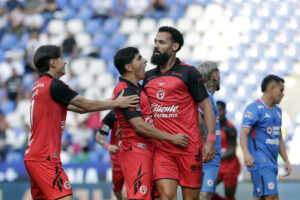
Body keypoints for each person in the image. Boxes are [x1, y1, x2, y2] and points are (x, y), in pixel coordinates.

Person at [23, 45, 139, 200]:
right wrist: (117, 103)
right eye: (62, 58)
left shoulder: (39, 86)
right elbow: (86, 105)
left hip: (33, 155)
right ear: (53, 63)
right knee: (65, 197)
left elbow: (81, 109)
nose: (65, 62)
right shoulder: (55, 85)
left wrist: (115, 101)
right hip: (45, 157)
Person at [143, 26, 216, 200]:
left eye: (162, 42)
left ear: (174, 47)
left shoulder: (189, 73)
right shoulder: (148, 77)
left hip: (189, 147)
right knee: (166, 196)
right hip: (162, 149)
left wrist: (211, 140)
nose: (156, 46)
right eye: (155, 42)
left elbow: (206, 106)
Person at [113, 47, 189, 200]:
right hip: (136, 151)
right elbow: (139, 126)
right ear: (129, 67)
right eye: (139, 58)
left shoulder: (136, 87)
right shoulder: (126, 91)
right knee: (139, 196)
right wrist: (171, 137)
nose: (145, 61)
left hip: (148, 149)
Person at [240, 74, 291, 200]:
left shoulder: (278, 111)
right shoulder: (254, 108)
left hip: (272, 163)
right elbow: (243, 133)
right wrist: (246, 154)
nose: (283, 94)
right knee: (272, 196)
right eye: (281, 90)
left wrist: (286, 160)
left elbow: (278, 137)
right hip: (260, 162)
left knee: (260, 197)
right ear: (271, 88)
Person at [197, 61, 221, 200]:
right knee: (204, 195)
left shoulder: (204, 95)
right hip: (208, 154)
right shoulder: (205, 96)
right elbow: (198, 119)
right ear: (215, 75)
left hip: (202, 152)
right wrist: (208, 143)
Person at [95, 110, 126, 200]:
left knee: (126, 195)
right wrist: (107, 146)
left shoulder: (140, 110)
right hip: (117, 161)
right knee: (118, 193)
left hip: (134, 158)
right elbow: (99, 134)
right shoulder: (113, 115)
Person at [213, 101, 240, 200]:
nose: (218, 112)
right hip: (217, 166)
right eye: (216, 110)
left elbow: (232, 152)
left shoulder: (230, 128)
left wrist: (215, 156)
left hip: (230, 166)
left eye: (220, 110)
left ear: (225, 111)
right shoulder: (210, 126)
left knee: (229, 196)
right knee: (206, 190)